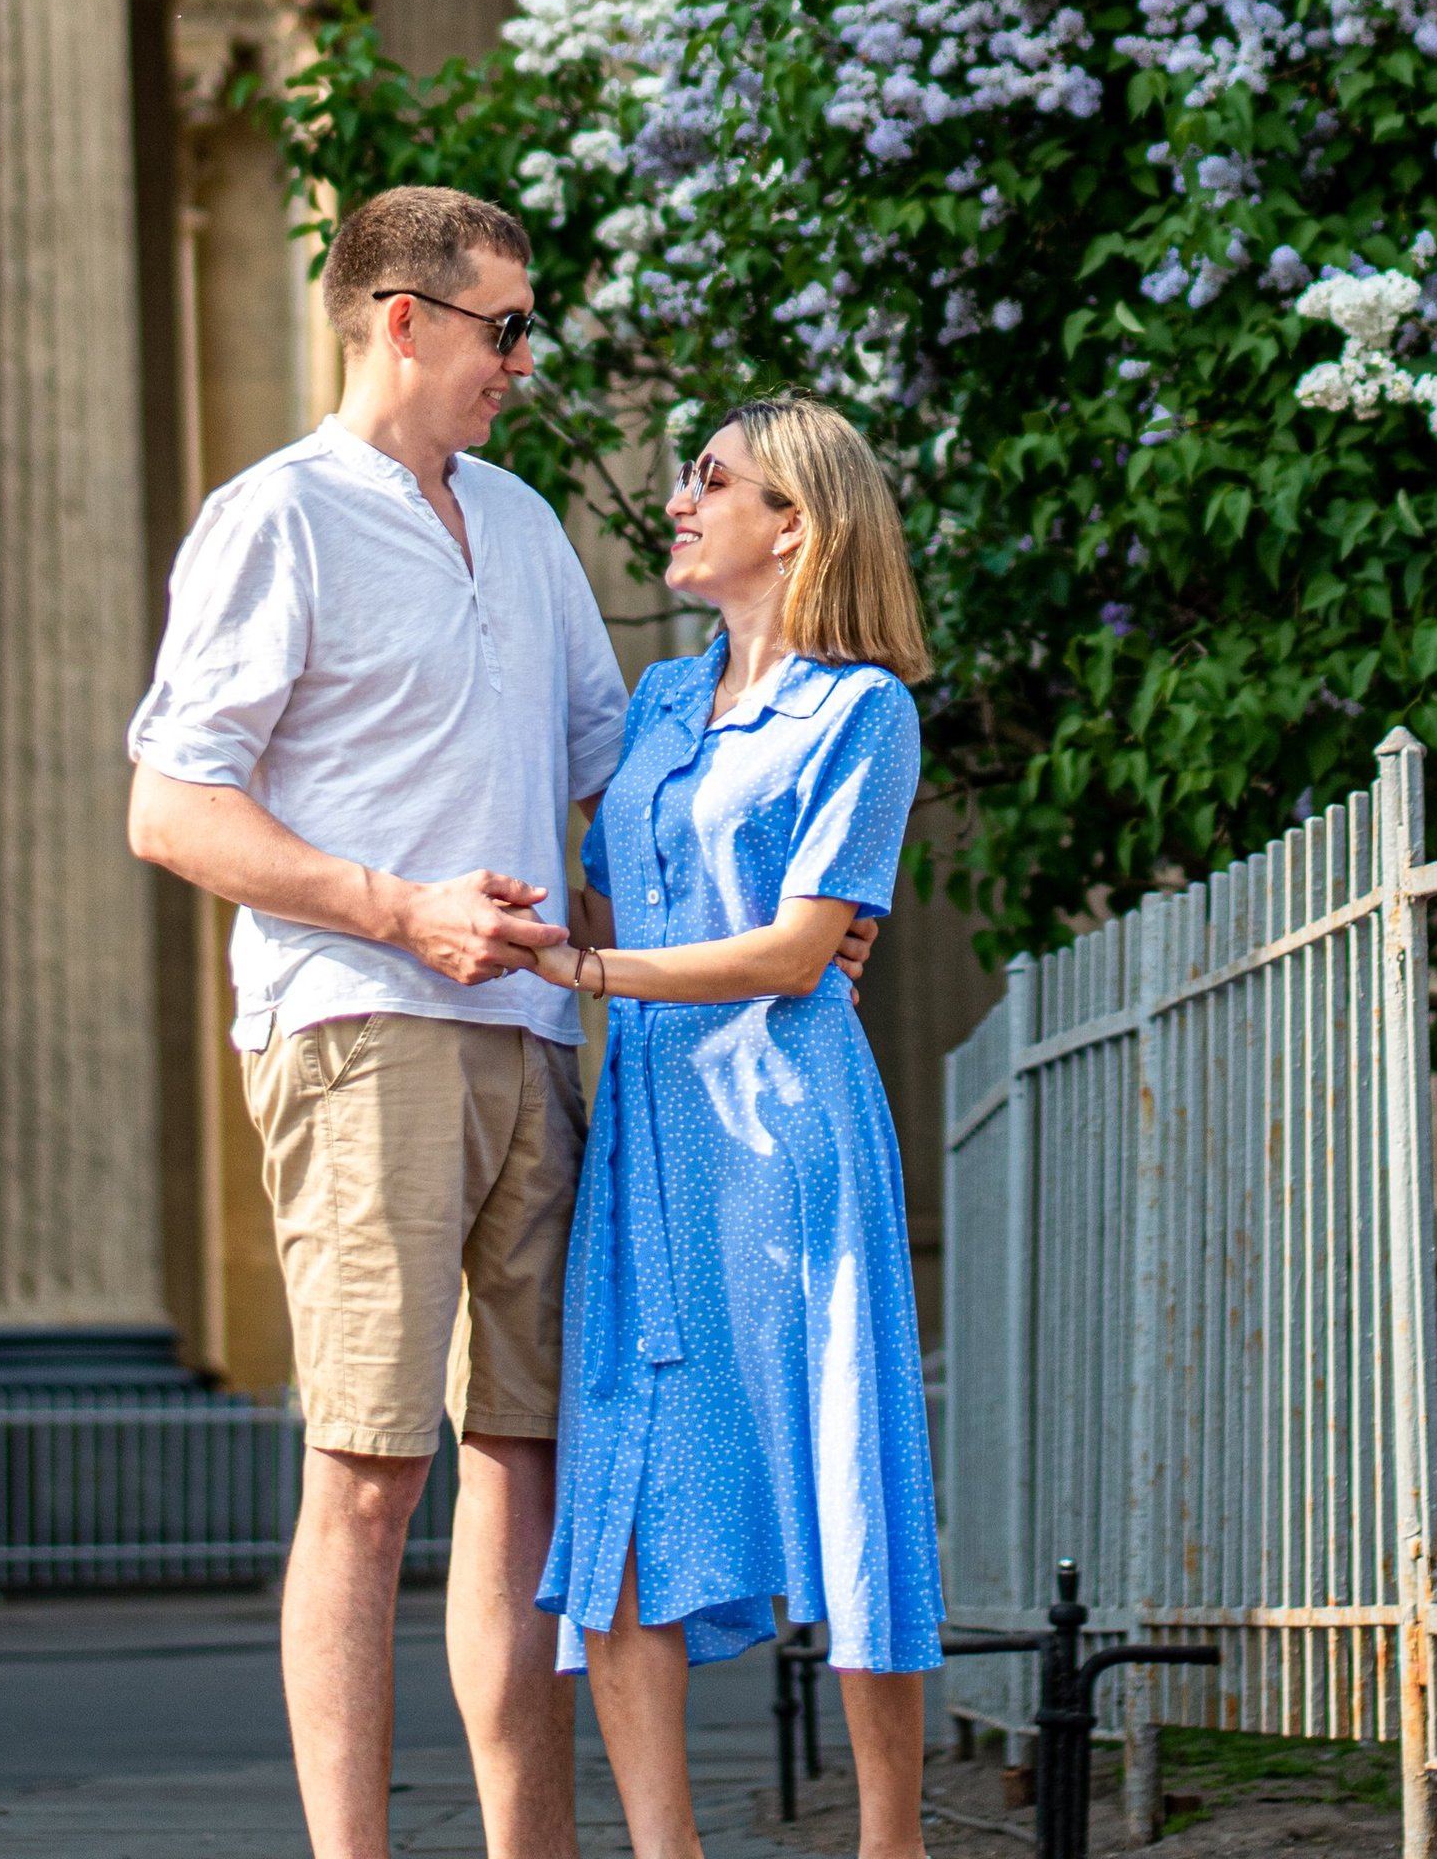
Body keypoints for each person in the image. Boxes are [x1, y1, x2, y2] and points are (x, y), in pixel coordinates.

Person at [126, 183, 880, 1859]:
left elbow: (619, 794)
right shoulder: (279, 519)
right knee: (371, 1469)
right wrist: (402, 908)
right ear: (403, 319)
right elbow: (173, 811)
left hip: (544, 1045)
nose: (524, 363)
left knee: (527, 1471)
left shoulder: (527, 525)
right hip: (363, 1026)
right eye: (505, 328)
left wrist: (778, 934)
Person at [531, 395, 943, 1859]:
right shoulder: (654, 705)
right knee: (632, 1495)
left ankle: (890, 1844)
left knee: (842, 1472)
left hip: (785, 1150)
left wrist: (585, 968)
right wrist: (523, 916)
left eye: (716, 479)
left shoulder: (864, 712)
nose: (682, 498)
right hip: (649, 1152)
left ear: (797, 525)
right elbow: (625, 911)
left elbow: (791, 951)